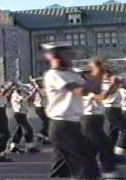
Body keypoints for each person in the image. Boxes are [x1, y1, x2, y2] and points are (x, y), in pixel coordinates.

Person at [42, 42, 100, 178]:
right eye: (67, 54)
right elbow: (81, 91)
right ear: (56, 56)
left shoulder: (71, 74)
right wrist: (96, 71)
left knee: (61, 168)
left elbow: (95, 90)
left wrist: (97, 74)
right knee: (87, 166)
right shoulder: (54, 74)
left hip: (72, 124)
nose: (71, 57)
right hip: (63, 125)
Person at [78, 61, 119, 178]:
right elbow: (102, 96)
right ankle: (109, 173)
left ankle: (88, 173)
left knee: (91, 149)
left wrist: (114, 85)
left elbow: (107, 94)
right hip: (89, 120)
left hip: (95, 120)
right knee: (106, 145)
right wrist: (111, 85)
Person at [93, 60, 126, 155]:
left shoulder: (114, 83)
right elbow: (106, 95)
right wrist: (113, 84)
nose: (108, 74)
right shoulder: (102, 84)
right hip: (110, 108)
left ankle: (112, 151)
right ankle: (119, 148)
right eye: (106, 73)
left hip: (117, 108)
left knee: (113, 133)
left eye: (109, 72)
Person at [9, 87, 40, 153]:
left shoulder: (21, 93)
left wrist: (33, 94)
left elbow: (30, 100)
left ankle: (13, 146)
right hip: (19, 114)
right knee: (29, 130)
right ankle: (29, 147)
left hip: (23, 114)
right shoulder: (15, 94)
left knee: (19, 131)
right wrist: (33, 92)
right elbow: (24, 99)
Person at [30, 78, 50, 144]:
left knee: (46, 122)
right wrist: (36, 87)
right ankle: (41, 135)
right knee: (47, 122)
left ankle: (44, 138)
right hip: (40, 108)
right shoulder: (36, 90)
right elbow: (43, 94)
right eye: (40, 82)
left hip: (45, 107)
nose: (42, 83)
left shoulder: (43, 89)